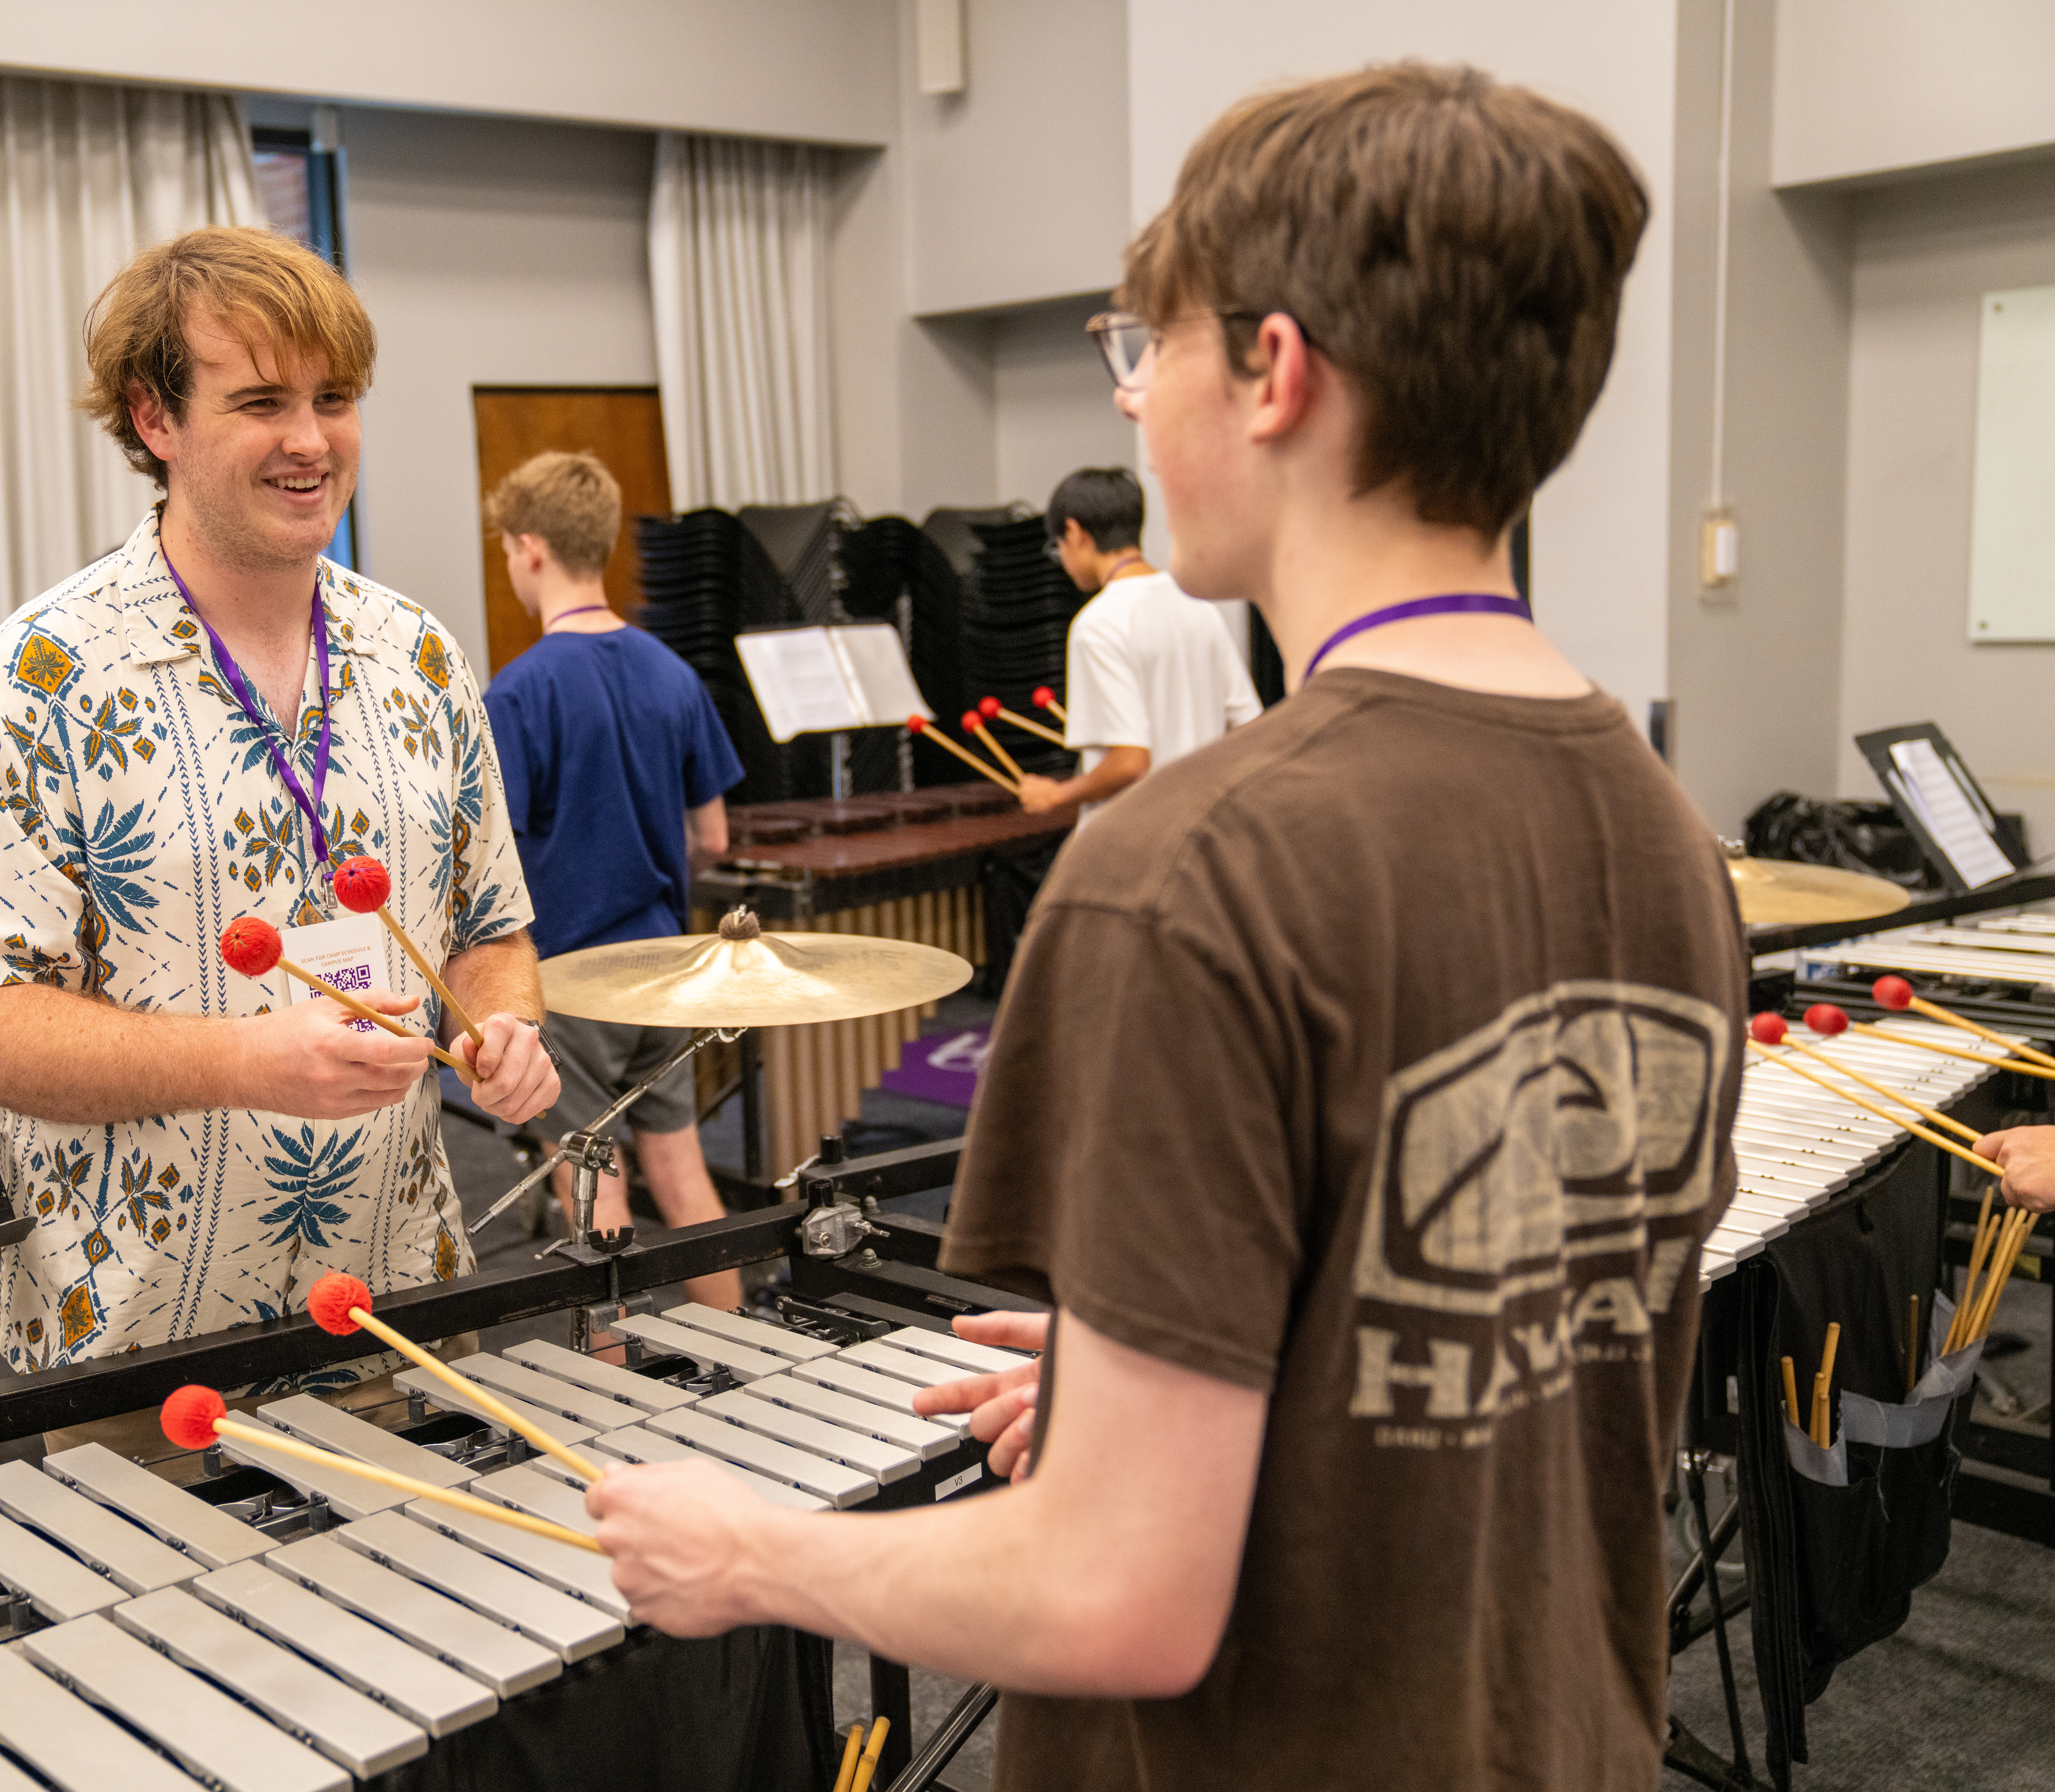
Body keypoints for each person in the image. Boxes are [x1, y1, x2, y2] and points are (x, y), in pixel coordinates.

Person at [589, 64, 1742, 1792]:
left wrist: (750, 1555)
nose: (1133, 405)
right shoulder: (1660, 823)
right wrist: (1192, 1357)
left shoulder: (1189, 870)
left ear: (1273, 371)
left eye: (1149, 345)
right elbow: (1515, 1316)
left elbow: (1120, 1598)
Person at [0, 227, 561, 1430]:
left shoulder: (420, 657)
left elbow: (490, 931)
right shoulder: (36, 683)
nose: (310, 441)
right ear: (157, 420)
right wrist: (245, 1061)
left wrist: (503, 1021)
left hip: (396, 1312)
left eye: (334, 399)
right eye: (261, 402)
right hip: (145, 1358)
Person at [481, 451, 746, 1311]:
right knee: (682, 1172)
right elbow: (711, 834)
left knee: (595, 1192)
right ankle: (756, 1359)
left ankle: (614, 1375)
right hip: (668, 970)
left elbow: (498, 863)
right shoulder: (673, 674)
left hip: (576, 978)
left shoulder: (519, 694)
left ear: (528, 550)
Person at [1017, 467, 1259, 821]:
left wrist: (1057, 795)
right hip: (1202, 832)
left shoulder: (1098, 624)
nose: (1064, 562)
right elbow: (1251, 729)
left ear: (1075, 532)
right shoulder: (1200, 607)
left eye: (1060, 548)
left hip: (1134, 841)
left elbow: (1130, 764)